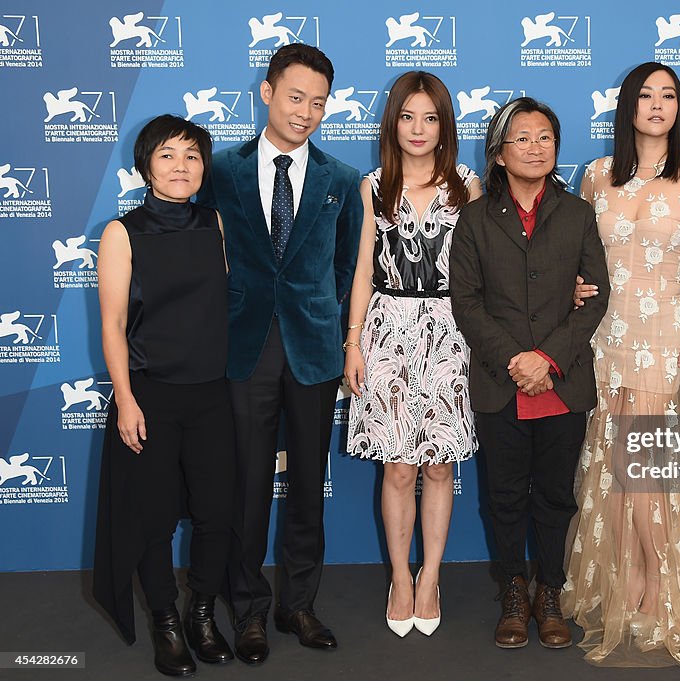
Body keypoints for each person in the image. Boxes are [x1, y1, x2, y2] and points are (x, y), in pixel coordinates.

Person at [563, 63, 680, 671]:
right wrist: (575, 291)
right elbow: (573, 251)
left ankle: (661, 598)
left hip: (664, 338)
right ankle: (624, 588)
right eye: (646, 95)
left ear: (679, 109)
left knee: (646, 477)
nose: (657, 105)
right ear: (628, 108)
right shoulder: (595, 177)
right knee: (613, 474)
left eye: (669, 96)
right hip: (604, 340)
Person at [196, 44, 362, 663]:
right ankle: (248, 611)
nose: (307, 112)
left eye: (319, 103)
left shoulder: (342, 181)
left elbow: (348, 269)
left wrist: (339, 333)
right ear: (266, 93)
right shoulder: (221, 172)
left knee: (305, 489)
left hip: (314, 352)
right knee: (245, 486)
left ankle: (300, 604)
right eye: (296, 98)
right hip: (243, 350)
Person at [450, 97, 610, 650]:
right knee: (505, 496)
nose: (536, 147)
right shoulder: (473, 220)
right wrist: (517, 360)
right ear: (498, 153)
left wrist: (548, 359)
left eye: (546, 137)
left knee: (555, 497)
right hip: (502, 382)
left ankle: (550, 592)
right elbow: (466, 303)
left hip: (562, 382)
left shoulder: (578, 213)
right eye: (523, 137)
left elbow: (595, 297)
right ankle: (513, 591)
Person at [93, 114, 235, 676]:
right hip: (150, 394)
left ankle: (201, 613)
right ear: (146, 164)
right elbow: (112, 325)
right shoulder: (121, 233)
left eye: (193, 155)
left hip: (212, 396)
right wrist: (126, 399)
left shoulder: (215, 223)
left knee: (215, 515)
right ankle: (165, 619)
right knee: (153, 519)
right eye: (169, 155)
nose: (182, 166)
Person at [343, 71, 481, 638]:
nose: (418, 129)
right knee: (397, 466)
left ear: (445, 125)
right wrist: (353, 343)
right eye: (407, 116)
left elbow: (481, 270)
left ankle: (432, 577)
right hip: (387, 330)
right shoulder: (372, 187)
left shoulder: (467, 184)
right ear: (392, 123)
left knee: (439, 464)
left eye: (430, 117)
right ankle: (400, 576)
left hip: (451, 329)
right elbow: (361, 272)